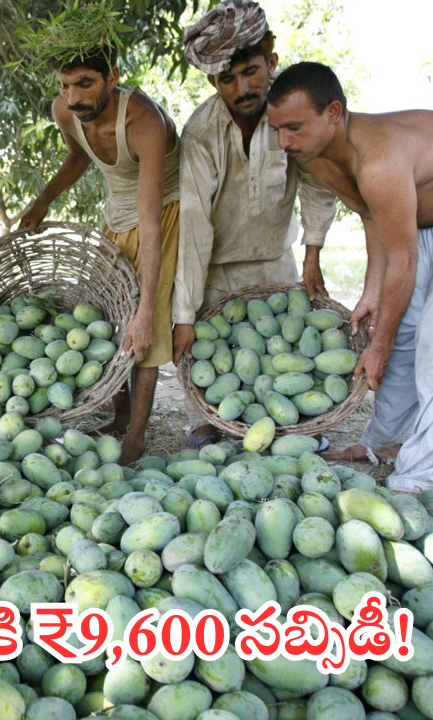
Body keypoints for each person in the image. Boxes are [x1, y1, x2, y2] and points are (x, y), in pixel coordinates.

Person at [266, 62, 433, 495]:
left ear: (334, 113)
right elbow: (372, 217)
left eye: (295, 127)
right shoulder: (318, 161)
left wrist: (379, 345)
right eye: (277, 129)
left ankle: (420, 480)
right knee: (405, 326)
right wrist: (371, 292)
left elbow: (404, 262)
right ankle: (384, 442)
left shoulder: (378, 161)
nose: (284, 142)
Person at [172, 0, 338, 448]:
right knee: (215, 377)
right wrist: (184, 314)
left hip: (275, 264)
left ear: (272, 58)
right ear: (212, 81)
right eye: (227, 79)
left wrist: (313, 253)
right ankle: (208, 430)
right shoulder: (201, 134)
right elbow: (193, 223)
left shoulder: (291, 117)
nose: (242, 88)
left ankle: (292, 437)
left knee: (279, 368)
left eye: (250, 72)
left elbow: (317, 186)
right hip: (215, 272)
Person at [19, 43, 181, 464]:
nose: (75, 97)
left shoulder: (144, 122)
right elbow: (77, 157)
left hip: (163, 214)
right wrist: (43, 200)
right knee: (108, 316)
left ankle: (138, 437)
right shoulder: (65, 111)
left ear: (112, 76)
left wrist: (146, 309)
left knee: (148, 326)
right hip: (117, 214)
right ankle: (120, 413)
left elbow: (149, 219)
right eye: (66, 85)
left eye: (85, 84)